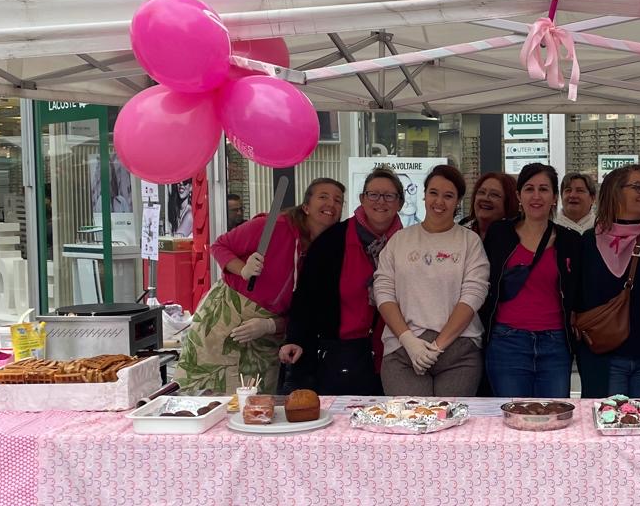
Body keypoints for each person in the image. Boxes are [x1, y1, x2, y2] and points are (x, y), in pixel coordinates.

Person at [177, 178, 344, 394]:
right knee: (207, 397)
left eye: (338, 200)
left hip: (267, 338)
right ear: (306, 206)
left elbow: (306, 311)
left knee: (257, 402)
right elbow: (220, 245)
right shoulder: (273, 226)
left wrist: (270, 326)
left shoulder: (327, 250)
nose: (331, 203)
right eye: (323, 197)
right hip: (222, 322)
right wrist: (243, 269)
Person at [279, 169, 404, 394]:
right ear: (362, 199)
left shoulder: (409, 243)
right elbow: (306, 295)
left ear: (400, 203)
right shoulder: (333, 240)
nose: (380, 202)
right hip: (341, 353)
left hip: (396, 353)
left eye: (389, 196)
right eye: (373, 194)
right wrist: (295, 338)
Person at [374, 164, 490, 395]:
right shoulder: (400, 240)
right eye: (434, 193)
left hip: (458, 352)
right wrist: (409, 342)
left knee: (450, 425)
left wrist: (437, 347)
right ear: (424, 194)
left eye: (448, 196)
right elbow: (384, 291)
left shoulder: (470, 241)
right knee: (410, 422)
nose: (439, 202)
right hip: (403, 351)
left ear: (457, 201)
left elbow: (473, 295)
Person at [481, 163, 582, 398]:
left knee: (553, 422)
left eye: (544, 189)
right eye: (529, 189)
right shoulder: (499, 233)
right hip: (507, 342)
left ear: (554, 197)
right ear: (518, 196)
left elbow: (577, 292)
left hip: (555, 344)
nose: (536, 196)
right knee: (513, 423)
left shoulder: (570, 241)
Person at [575, 165, 640, 397]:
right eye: (637, 187)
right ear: (615, 191)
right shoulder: (588, 242)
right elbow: (576, 297)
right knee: (607, 427)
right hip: (603, 359)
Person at [463, 172, 518, 237]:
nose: (485, 198)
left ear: (509, 202)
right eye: (481, 192)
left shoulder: (518, 237)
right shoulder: (461, 232)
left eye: (494, 194)